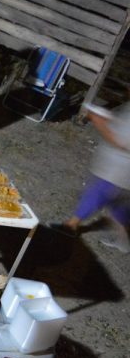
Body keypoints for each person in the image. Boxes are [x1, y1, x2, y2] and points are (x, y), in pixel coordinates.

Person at [51, 101, 130, 253]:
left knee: (97, 193)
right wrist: (110, 119)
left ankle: (70, 226)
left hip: (117, 170)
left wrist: (98, 120)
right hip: (123, 175)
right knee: (119, 205)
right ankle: (125, 241)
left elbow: (121, 142)